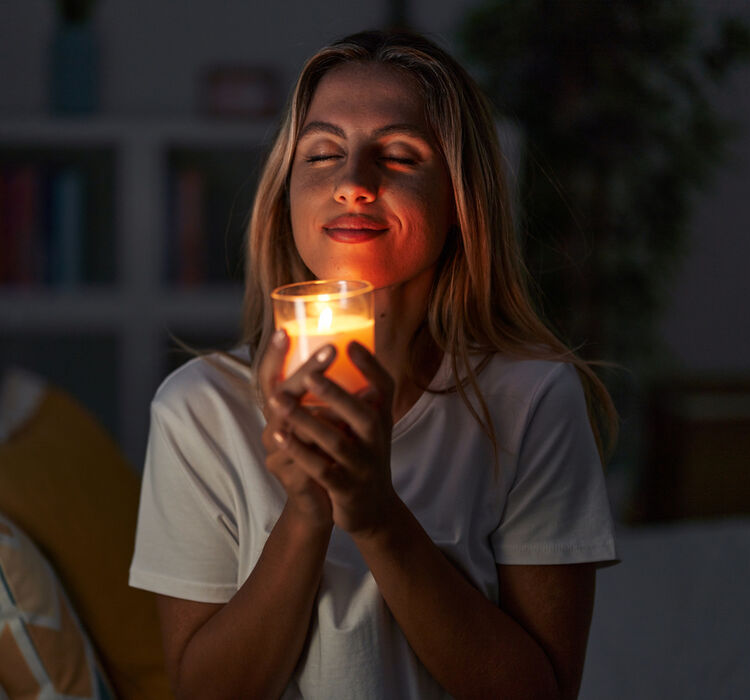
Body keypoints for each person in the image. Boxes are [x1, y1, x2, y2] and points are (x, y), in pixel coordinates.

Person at [129, 29, 618, 699]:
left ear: (460, 199)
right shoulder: (199, 410)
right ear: (286, 194)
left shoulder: (532, 401)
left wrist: (377, 514)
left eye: (398, 155)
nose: (353, 184)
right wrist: (306, 514)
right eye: (323, 153)